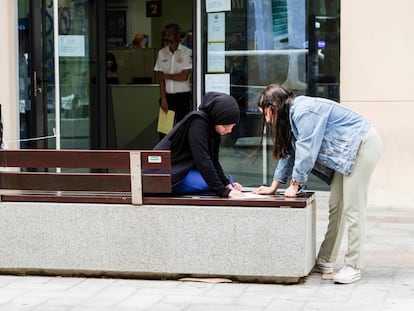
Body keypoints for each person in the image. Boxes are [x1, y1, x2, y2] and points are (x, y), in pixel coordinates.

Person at [254, 84, 383, 284]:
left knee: (352, 208)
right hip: (346, 153)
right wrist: (274, 186)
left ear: (274, 105)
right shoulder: (291, 116)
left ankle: (353, 265)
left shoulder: (303, 110)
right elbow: (289, 152)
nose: (266, 119)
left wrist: (295, 184)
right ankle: (326, 259)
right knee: (336, 206)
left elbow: (306, 148)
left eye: (266, 113)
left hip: (362, 145)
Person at [154, 92, 244, 198]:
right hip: (167, 174)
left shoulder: (213, 127)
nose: (229, 130)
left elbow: (213, 161)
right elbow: (203, 159)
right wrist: (223, 190)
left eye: (232, 127)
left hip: (182, 172)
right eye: (225, 125)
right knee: (207, 183)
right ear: (216, 117)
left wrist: (227, 184)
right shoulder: (198, 123)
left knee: (215, 181)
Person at [154, 23, 192, 139]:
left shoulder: (187, 52)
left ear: (177, 35)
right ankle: (164, 155)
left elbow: (184, 76)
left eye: (169, 35)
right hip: (167, 98)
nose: (167, 38)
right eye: (165, 35)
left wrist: (166, 76)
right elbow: (159, 78)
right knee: (164, 131)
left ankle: (182, 155)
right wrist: (164, 99)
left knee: (183, 129)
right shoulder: (162, 53)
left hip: (183, 97)